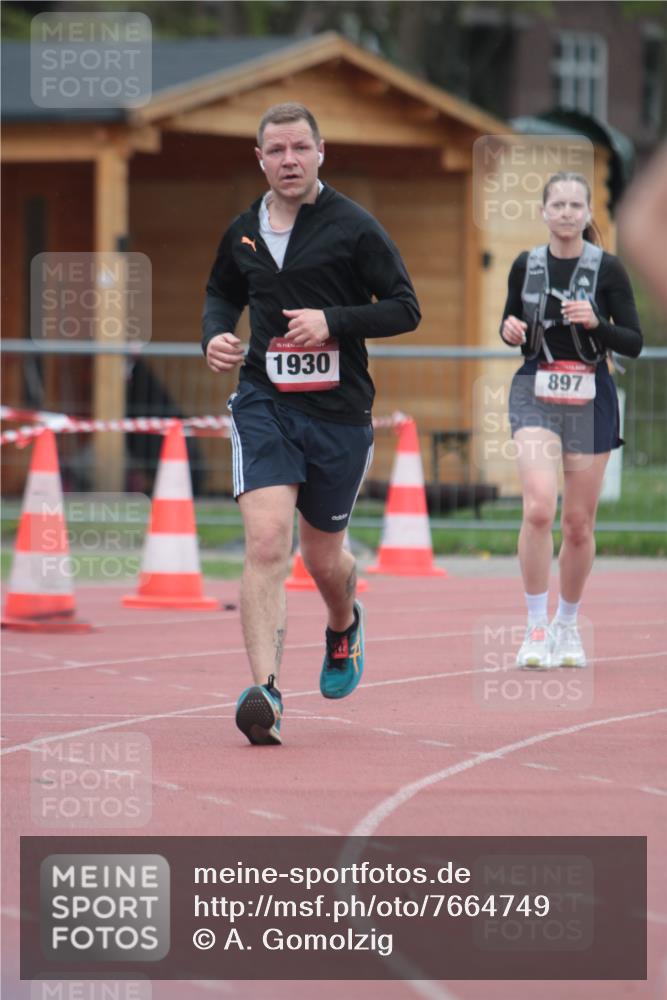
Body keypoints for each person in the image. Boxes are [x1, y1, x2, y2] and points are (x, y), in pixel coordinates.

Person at [202, 102, 420, 744]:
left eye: (300, 148)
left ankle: (344, 622)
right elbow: (221, 292)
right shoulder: (243, 231)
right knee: (268, 543)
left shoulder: (354, 227)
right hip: (264, 405)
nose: (289, 160)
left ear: (321, 151)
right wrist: (216, 333)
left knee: (324, 558)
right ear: (260, 159)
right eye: (276, 150)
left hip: (339, 415)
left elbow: (406, 308)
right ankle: (266, 693)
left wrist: (334, 320)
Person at [500, 171, 642, 669]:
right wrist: (509, 327)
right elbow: (510, 324)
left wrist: (597, 324)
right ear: (543, 212)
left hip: (590, 393)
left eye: (574, 205)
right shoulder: (527, 265)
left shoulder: (608, 270)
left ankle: (567, 624)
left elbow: (634, 342)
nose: (565, 212)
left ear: (586, 214)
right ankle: (536, 626)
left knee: (578, 523)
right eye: (556, 204)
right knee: (539, 508)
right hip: (536, 389)